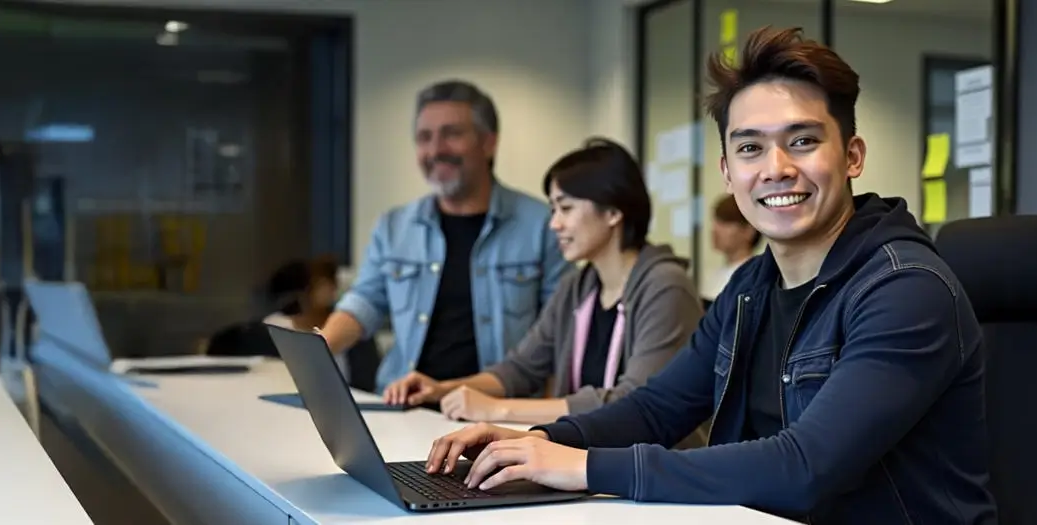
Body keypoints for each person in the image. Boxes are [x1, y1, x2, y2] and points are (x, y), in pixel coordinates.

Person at [421, 27, 997, 524]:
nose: (776, 169)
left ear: (852, 156)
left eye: (802, 141)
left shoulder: (905, 289)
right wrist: (537, 442)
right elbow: (657, 410)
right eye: (750, 148)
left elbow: (805, 466)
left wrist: (585, 467)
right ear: (727, 170)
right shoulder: (751, 286)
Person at [381, 138, 704, 430]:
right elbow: (521, 368)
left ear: (612, 212)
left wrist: (498, 410)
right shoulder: (577, 288)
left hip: (652, 472)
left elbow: (634, 402)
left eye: (566, 208)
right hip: (588, 459)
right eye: (553, 209)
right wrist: (443, 389)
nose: (554, 224)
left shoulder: (666, 287)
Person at [317, 80, 570, 392]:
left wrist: (550, 424)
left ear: (489, 143)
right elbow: (365, 302)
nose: (436, 150)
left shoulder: (544, 224)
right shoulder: (393, 227)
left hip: (498, 413)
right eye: (424, 138)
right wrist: (320, 349)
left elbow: (561, 335)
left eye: (452, 134)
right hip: (405, 406)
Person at [205, 256, 380, 392]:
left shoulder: (356, 335)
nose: (332, 290)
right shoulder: (267, 334)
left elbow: (368, 384)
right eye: (322, 284)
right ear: (303, 292)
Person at [702, 196, 761, 300]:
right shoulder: (713, 275)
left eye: (725, 223)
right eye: (715, 222)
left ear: (749, 230)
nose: (715, 230)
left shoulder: (755, 277)